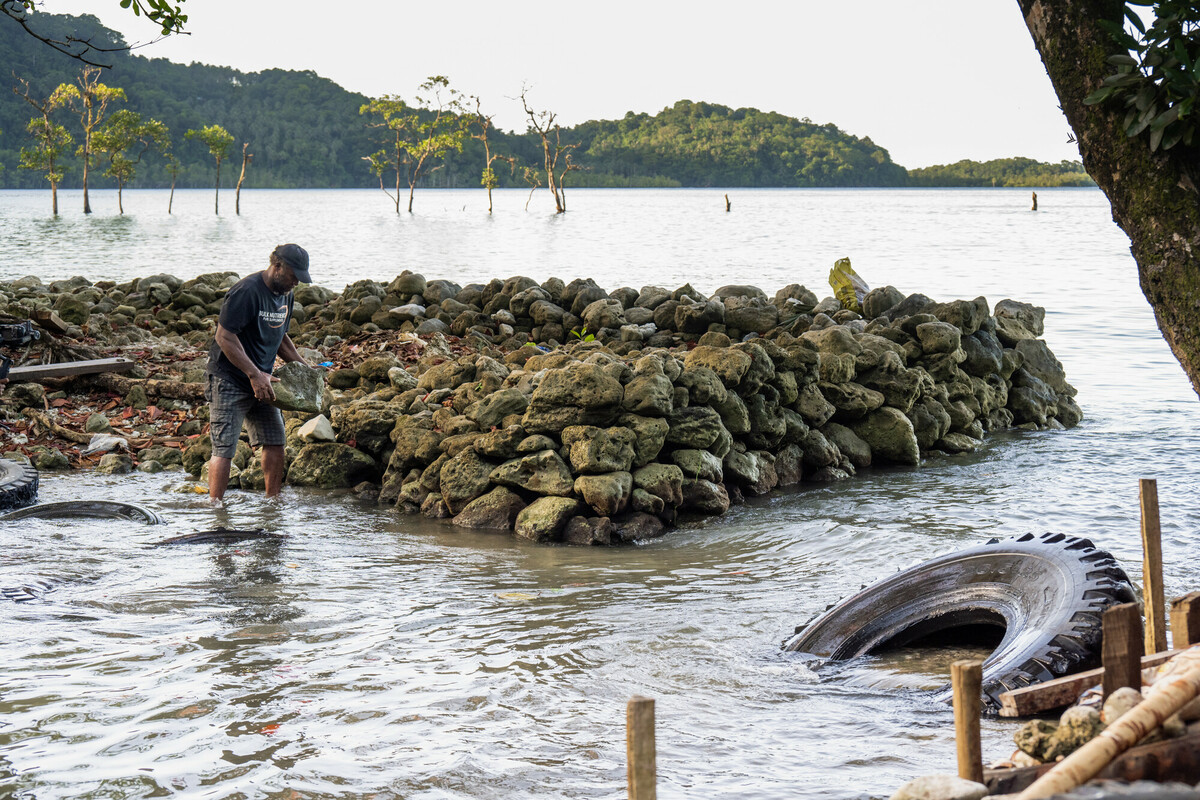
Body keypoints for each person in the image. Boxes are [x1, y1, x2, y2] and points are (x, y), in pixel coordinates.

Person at [205, 243, 312, 501]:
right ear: (277, 266)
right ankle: (216, 510)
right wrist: (254, 374)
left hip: (263, 379)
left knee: (275, 440)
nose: (295, 282)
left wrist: (302, 367)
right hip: (229, 379)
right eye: (292, 276)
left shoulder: (286, 293)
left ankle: (272, 502)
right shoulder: (246, 291)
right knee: (225, 448)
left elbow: (280, 336)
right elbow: (224, 336)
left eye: (299, 278)